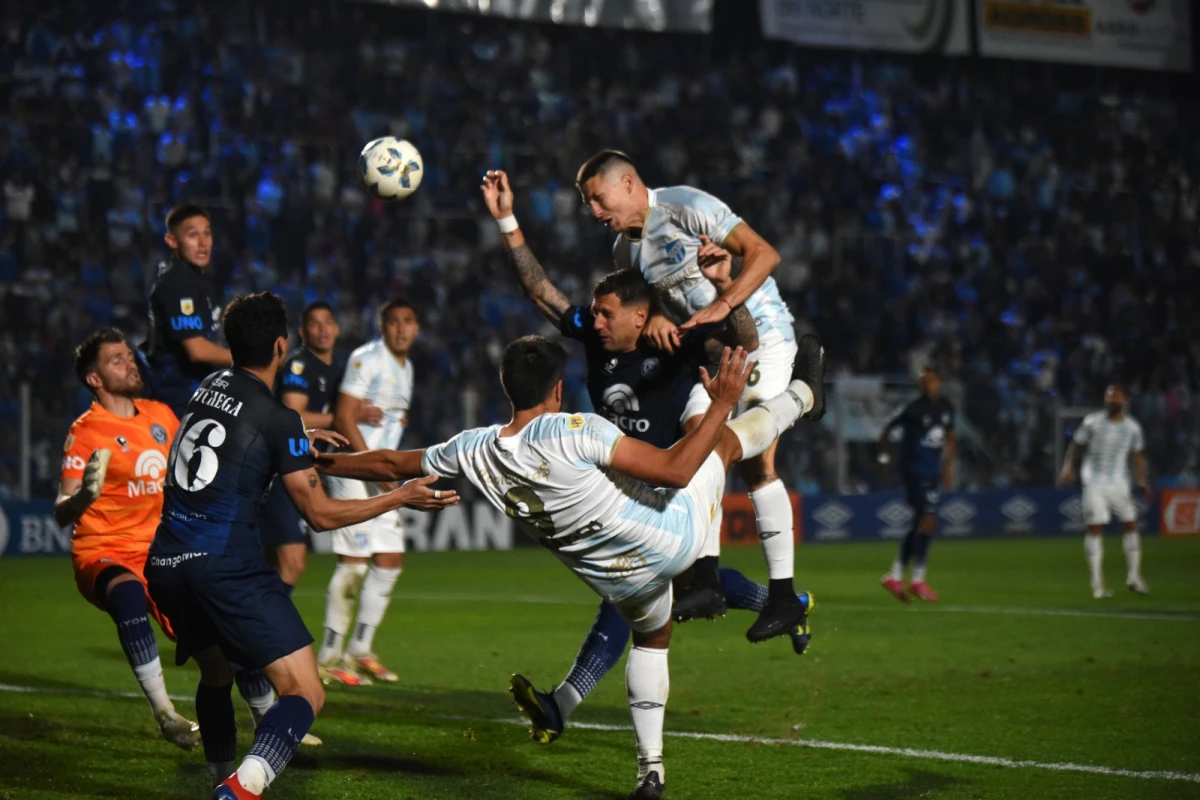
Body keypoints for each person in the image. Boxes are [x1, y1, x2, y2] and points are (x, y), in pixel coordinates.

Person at [315, 334, 824, 799]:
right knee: (726, 441)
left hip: (619, 579)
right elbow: (675, 469)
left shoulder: (474, 450)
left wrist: (315, 459)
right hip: (675, 533)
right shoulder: (576, 430)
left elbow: (388, 464)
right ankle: (803, 395)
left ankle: (652, 769)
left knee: (651, 640)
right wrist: (722, 404)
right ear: (558, 391)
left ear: (505, 386)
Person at [481, 170, 814, 746]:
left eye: (608, 311)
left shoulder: (682, 345)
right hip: (632, 483)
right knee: (650, 591)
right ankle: (783, 600)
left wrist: (719, 289)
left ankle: (567, 703)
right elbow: (542, 293)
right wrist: (508, 222)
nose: (595, 319)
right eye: (596, 312)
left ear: (639, 314)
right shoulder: (598, 333)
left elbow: (743, 341)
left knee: (635, 590)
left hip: (672, 481)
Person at [143, 292, 458, 799]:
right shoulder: (278, 419)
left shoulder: (208, 386)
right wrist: (397, 498)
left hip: (165, 562)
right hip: (223, 566)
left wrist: (298, 442)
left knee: (218, 674)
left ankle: (216, 779)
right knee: (306, 690)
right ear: (282, 346)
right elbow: (319, 514)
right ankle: (239, 790)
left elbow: (238, 436)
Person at [571, 150, 822, 641]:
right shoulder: (626, 254)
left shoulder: (685, 207)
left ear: (627, 183)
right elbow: (654, 309)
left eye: (597, 199)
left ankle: (804, 394)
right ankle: (738, 586)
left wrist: (725, 297)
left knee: (740, 459)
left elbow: (765, 252)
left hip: (762, 338)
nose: (594, 213)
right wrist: (661, 317)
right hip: (712, 355)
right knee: (707, 449)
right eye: (587, 204)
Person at [54, 327, 198, 750]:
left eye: (128, 355)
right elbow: (62, 510)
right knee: (128, 595)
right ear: (94, 380)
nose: (130, 361)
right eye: (115, 359)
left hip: (161, 552)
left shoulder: (161, 416)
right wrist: (84, 496)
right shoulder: (86, 432)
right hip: (103, 549)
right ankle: (166, 713)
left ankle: (271, 720)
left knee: (213, 627)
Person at [316, 298, 418, 686]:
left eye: (408, 321)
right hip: (354, 470)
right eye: (393, 322)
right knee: (354, 565)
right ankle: (329, 658)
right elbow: (344, 416)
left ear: (417, 328)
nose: (401, 329)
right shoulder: (367, 358)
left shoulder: (405, 368)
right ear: (381, 326)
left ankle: (360, 650)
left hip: (378, 473)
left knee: (389, 560)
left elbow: (390, 415)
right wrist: (372, 463)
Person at [261, 301, 384, 589]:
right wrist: (342, 418)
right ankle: (264, 626)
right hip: (282, 469)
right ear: (303, 332)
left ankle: (251, 626)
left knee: (268, 564)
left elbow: (355, 413)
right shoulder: (299, 365)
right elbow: (293, 413)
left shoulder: (340, 370)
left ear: (337, 329)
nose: (323, 329)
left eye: (328, 322)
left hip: (305, 468)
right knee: (292, 561)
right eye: (315, 324)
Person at [1059, 385, 1151, 598]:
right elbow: (1076, 444)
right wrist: (1068, 467)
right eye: (1108, 397)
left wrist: (1143, 480)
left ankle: (1134, 577)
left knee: (1130, 524)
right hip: (1094, 481)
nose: (1111, 401)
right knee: (1095, 528)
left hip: (1120, 483)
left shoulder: (1132, 428)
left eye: (1115, 397)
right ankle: (1097, 584)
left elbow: (1137, 455)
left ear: (1124, 400)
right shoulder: (1092, 422)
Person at [140, 204, 232, 417]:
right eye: (193, 235)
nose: (203, 243)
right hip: (174, 404)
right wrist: (249, 359)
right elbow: (196, 349)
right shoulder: (178, 282)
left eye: (207, 234)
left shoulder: (194, 278)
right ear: (172, 241)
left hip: (190, 398)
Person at [877, 367, 956, 603]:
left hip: (932, 472)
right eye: (925, 382)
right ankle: (916, 579)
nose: (929, 385)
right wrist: (885, 457)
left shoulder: (946, 408)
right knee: (927, 518)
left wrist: (947, 467)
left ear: (938, 382)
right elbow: (887, 428)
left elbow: (951, 438)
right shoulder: (912, 409)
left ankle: (897, 575)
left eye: (932, 381)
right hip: (913, 471)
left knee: (923, 523)